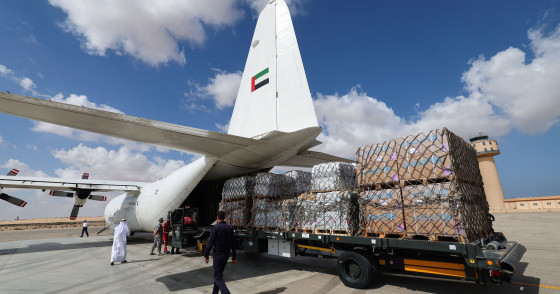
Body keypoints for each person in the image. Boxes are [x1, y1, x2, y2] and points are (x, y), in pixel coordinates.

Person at [204, 211, 237, 294]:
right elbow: (233, 244)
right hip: (226, 255)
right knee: (218, 275)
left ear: (217, 218)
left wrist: (206, 255)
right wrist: (234, 257)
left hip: (218, 255)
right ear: (224, 218)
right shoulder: (229, 228)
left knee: (218, 277)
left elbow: (210, 242)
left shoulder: (216, 227)